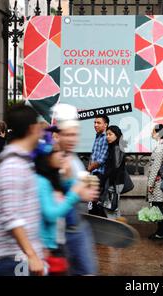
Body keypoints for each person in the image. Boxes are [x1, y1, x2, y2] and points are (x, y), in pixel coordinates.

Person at [0, 104, 45, 276]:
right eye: (39, 126)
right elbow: (11, 216)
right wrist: (31, 254)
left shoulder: (21, 160)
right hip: (11, 259)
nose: (41, 132)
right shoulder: (13, 166)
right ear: (32, 129)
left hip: (18, 256)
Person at [34, 132, 97, 275]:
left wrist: (77, 186)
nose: (62, 155)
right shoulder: (41, 181)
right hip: (46, 249)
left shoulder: (53, 178)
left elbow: (68, 187)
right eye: (57, 152)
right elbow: (50, 214)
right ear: (47, 156)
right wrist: (74, 194)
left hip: (57, 245)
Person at [52, 103, 99, 276]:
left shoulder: (74, 159)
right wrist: (77, 190)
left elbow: (83, 188)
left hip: (78, 230)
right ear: (58, 136)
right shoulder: (51, 160)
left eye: (75, 134)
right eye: (68, 135)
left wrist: (87, 192)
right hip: (58, 235)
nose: (73, 139)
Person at [99, 125, 127, 219]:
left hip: (114, 183)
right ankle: (120, 228)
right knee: (114, 208)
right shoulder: (115, 146)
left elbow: (115, 168)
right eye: (106, 134)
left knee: (110, 208)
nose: (107, 136)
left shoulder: (116, 147)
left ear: (117, 135)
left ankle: (115, 229)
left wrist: (106, 182)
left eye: (110, 134)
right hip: (115, 182)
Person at [88, 115, 109, 215]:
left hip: (100, 175)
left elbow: (102, 159)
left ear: (105, 125)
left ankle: (102, 225)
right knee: (93, 202)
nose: (95, 125)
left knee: (96, 202)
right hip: (94, 174)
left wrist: (89, 168)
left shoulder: (105, 138)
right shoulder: (98, 136)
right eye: (94, 122)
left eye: (98, 123)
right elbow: (93, 155)